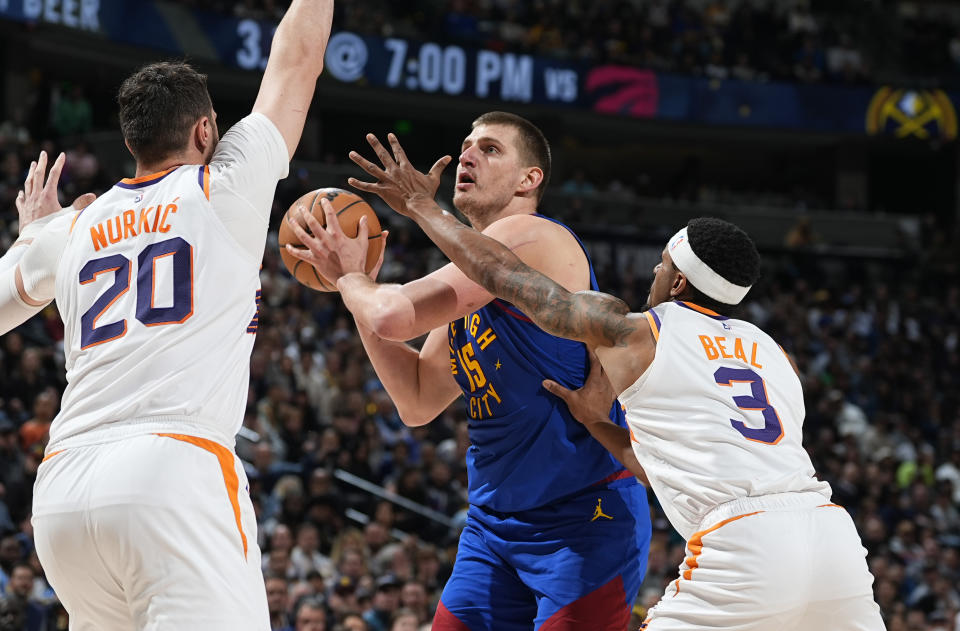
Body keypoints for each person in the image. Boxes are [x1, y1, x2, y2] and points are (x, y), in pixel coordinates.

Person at [332, 144, 885, 629]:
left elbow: (507, 279)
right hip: (832, 537)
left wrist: (423, 208)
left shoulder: (637, 333)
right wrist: (597, 420)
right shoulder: (774, 354)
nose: (651, 276)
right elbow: (668, 463)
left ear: (679, 280)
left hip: (741, 545)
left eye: (660, 267)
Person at [0, 0, 335, 627]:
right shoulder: (224, 186)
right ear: (206, 132)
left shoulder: (70, 226)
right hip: (170, 469)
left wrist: (28, 242)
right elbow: (297, 59)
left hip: (64, 488)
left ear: (130, 141)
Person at [286, 113, 651, 630]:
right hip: (493, 527)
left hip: (582, 518)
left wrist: (351, 280)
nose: (468, 156)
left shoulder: (532, 235)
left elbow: (390, 314)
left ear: (530, 180)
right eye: (465, 146)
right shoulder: (471, 285)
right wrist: (360, 284)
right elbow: (416, 400)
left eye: (491, 149)